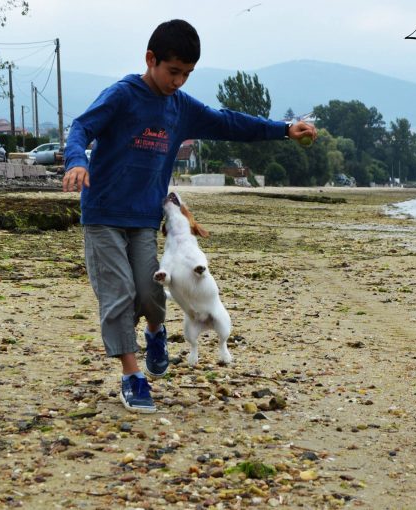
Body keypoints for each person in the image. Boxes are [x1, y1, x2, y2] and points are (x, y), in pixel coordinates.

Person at [63, 19, 316, 413]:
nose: (178, 81)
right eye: (173, 71)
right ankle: (132, 377)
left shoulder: (180, 107)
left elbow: (229, 122)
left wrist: (284, 129)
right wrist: (77, 160)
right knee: (118, 295)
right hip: (103, 213)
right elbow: (81, 127)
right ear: (151, 59)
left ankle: (155, 331)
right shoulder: (122, 96)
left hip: (144, 218)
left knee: (151, 292)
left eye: (187, 74)